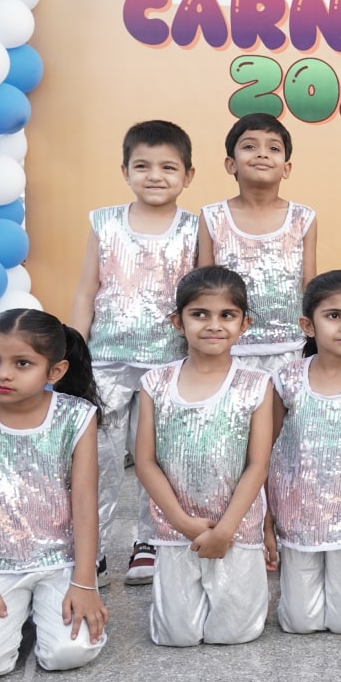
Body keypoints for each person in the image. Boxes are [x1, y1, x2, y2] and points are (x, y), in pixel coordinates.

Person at [0, 310, 108, 681]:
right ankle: (15, 614)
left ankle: (39, 611)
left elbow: (84, 505)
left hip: (61, 560)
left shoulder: (76, 416)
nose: (3, 373)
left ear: (55, 371)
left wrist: (84, 583)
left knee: (68, 652)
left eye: (22, 363)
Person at [70, 119, 199, 588]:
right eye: (142, 166)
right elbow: (86, 291)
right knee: (97, 459)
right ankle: (93, 549)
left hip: (167, 364)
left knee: (157, 457)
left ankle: (149, 540)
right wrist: (75, 354)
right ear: (125, 171)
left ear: (188, 175)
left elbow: (202, 298)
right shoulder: (104, 222)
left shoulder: (196, 228)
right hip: (104, 362)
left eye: (168, 167)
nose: (155, 176)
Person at [134, 267, 274, 647]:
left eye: (227, 315)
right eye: (200, 314)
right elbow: (145, 461)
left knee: (235, 634)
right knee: (175, 635)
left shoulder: (256, 384)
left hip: (235, 530)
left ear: (244, 324)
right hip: (176, 530)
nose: (214, 325)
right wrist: (183, 523)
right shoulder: (155, 383)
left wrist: (224, 530)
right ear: (177, 322)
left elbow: (258, 464)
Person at [266, 271, 341, 635]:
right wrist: (265, 520)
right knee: (299, 623)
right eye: (334, 316)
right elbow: (263, 451)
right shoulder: (287, 378)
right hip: (297, 518)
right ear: (308, 325)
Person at [198, 114, 317, 377]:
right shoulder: (213, 217)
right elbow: (202, 287)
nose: (262, 154)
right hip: (229, 349)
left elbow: (309, 286)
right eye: (250, 146)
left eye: (273, 148)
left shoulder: (302, 218)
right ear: (231, 164)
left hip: (289, 348)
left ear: (286, 168)